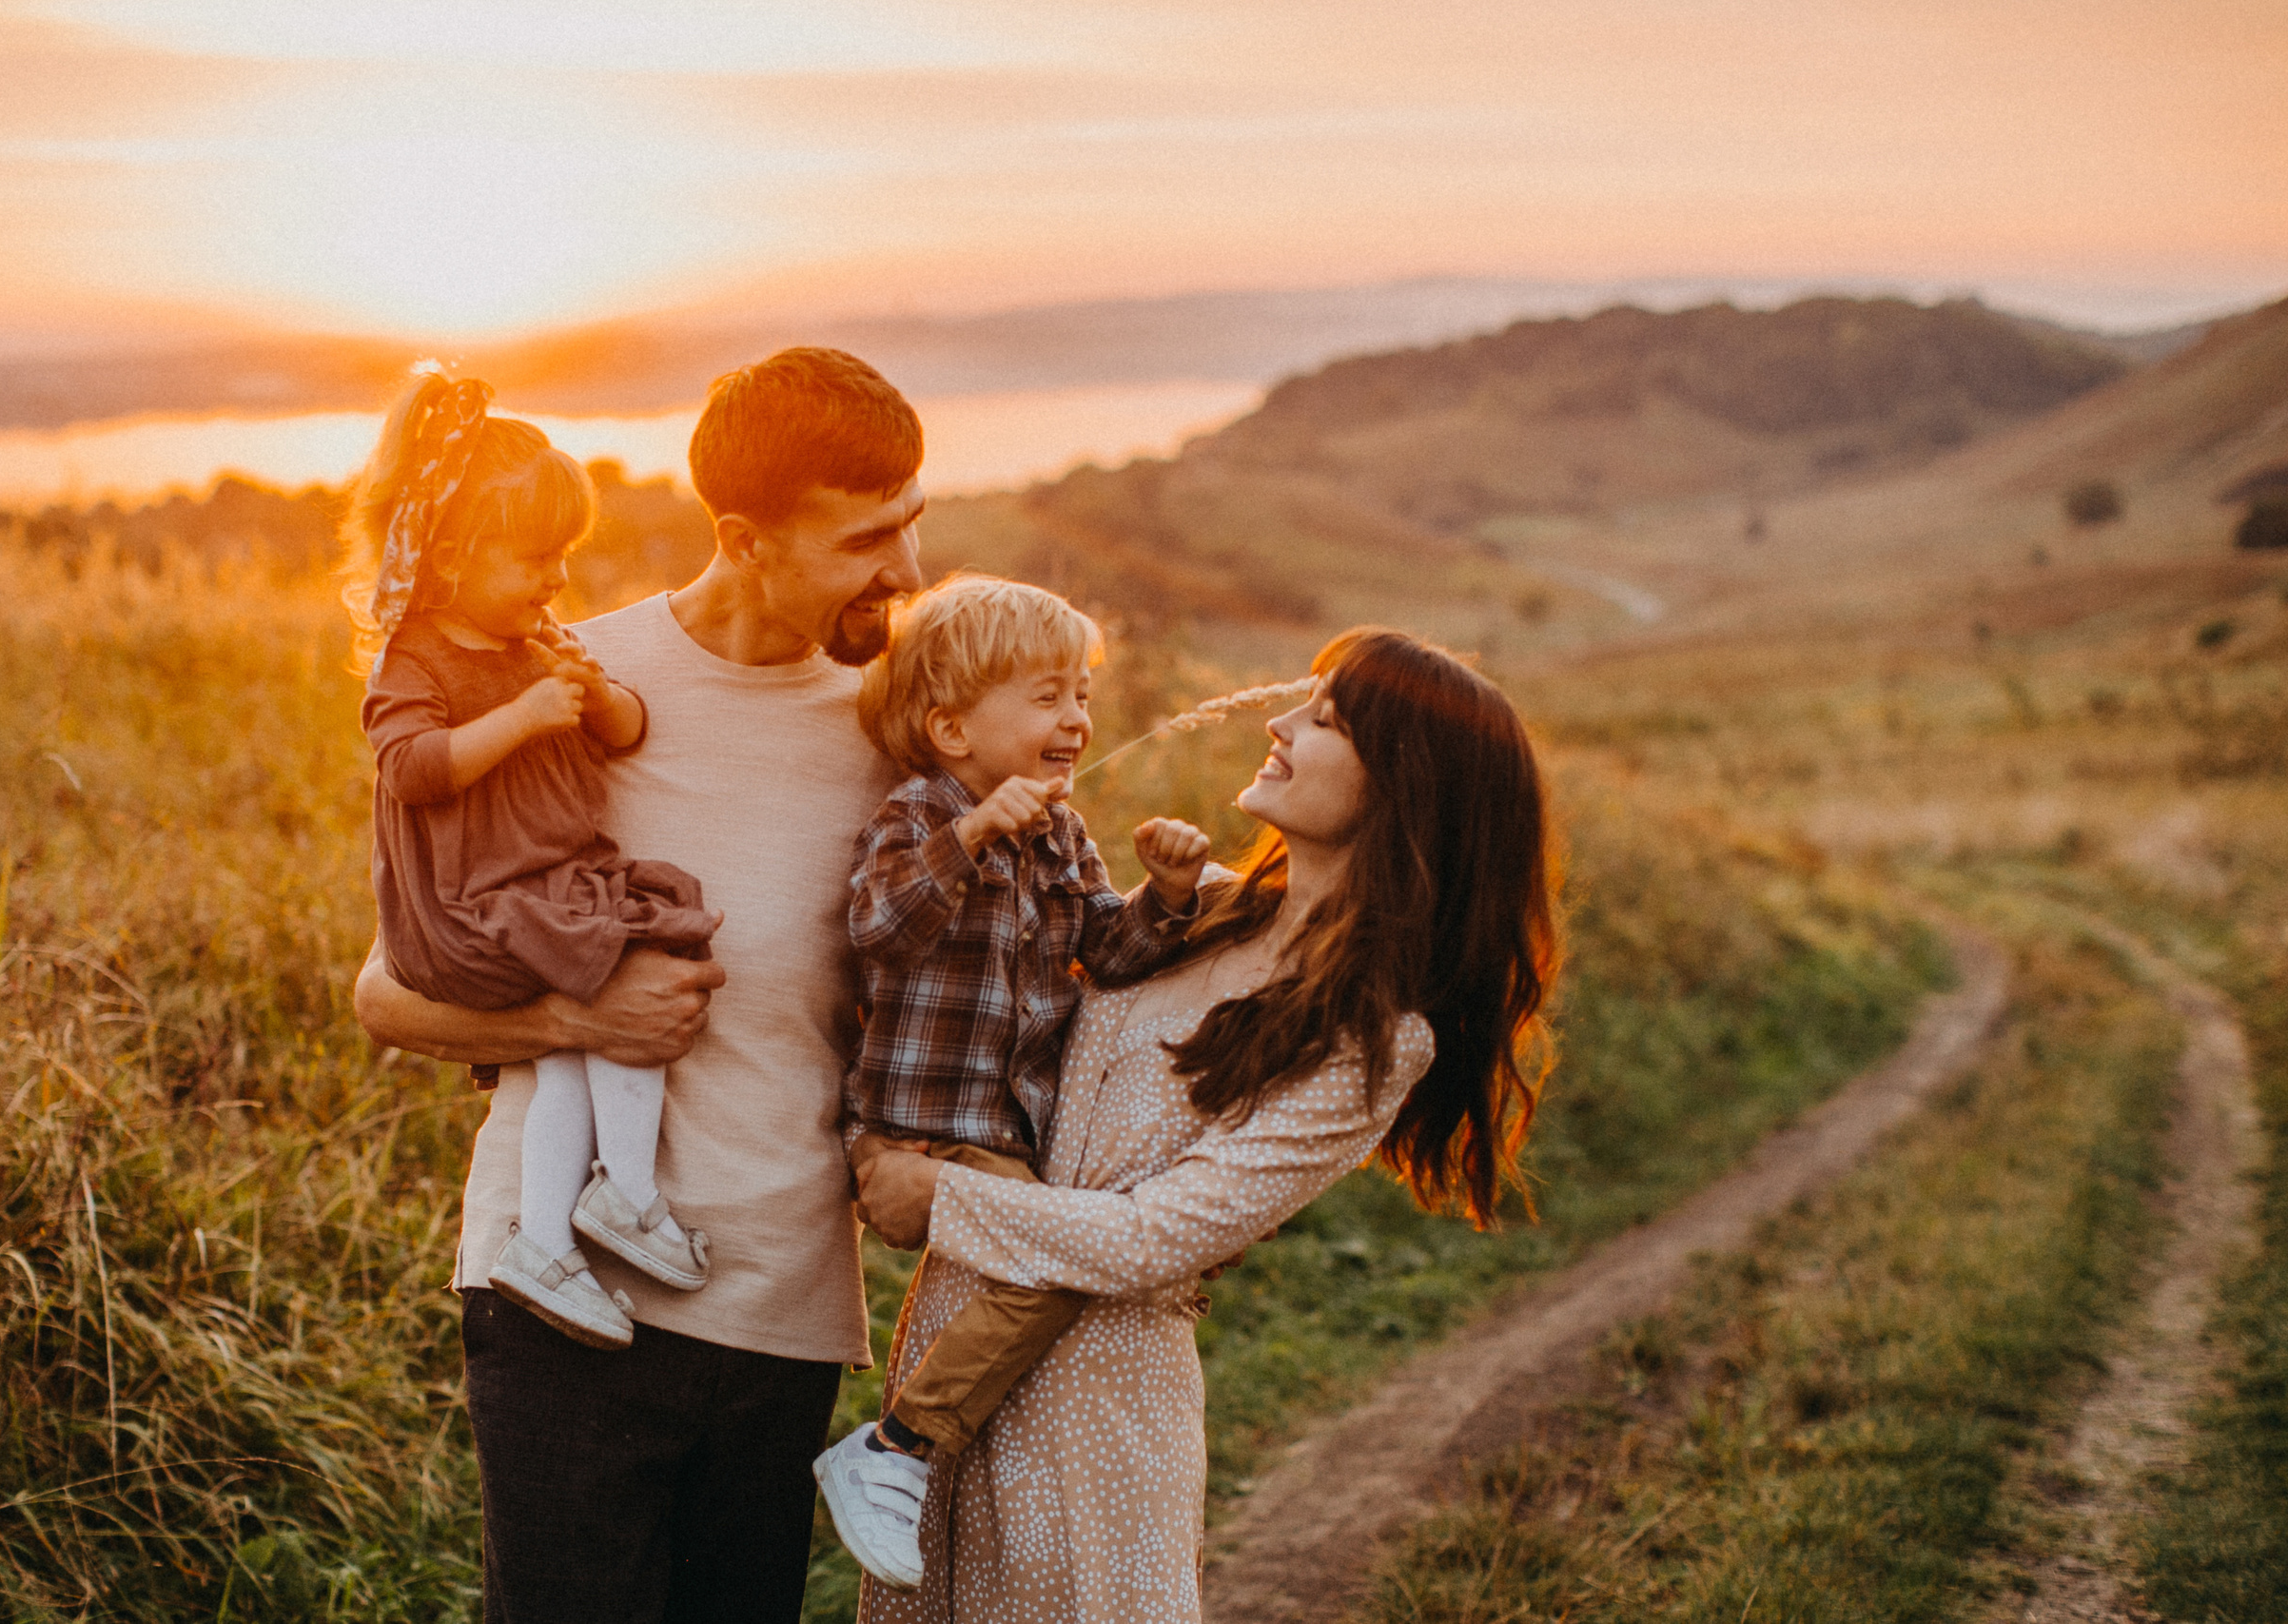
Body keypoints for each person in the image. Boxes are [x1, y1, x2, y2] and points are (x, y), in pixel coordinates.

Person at [351, 347, 927, 1623]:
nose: (905, 568)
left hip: (778, 1306)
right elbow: (386, 992)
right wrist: (573, 1017)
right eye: (866, 538)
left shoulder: (899, 731)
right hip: (558, 1300)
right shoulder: (552, 679)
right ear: (746, 539)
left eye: (911, 521)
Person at [851, 627, 1560, 1622]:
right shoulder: (1199, 909)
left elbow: (1156, 1236)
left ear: (1405, 786)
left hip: (1095, 1403)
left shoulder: (1372, 1039)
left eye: (1325, 720)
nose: (1279, 723)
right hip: (950, 1347)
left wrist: (936, 1192)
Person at [812, 574, 1214, 1589]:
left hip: (1004, 1130)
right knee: (1060, 1259)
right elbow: (878, 927)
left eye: (1081, 694)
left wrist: (1165, 899)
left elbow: (1107, 956)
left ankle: (927, 1462)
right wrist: (972, 835)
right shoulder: (918, 813)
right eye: (1046, 697)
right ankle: (898, 1446)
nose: (1076, 719)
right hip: (919, 1124)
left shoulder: (1062, 834)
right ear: (951, 729)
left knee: (1051, 1260)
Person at [347, 369, 719, 1353]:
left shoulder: (533, 639)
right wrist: (523, 715)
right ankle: (621, 1197)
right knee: (617, 985)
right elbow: (412, 768)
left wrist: (593, 696)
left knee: (589, 1028)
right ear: (452, 556)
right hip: (477, 903)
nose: (555, 579)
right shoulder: (417, 658)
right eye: (532, 558)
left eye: (563, 555)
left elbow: (628, 730)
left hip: (549, 887)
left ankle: (553, 1239)